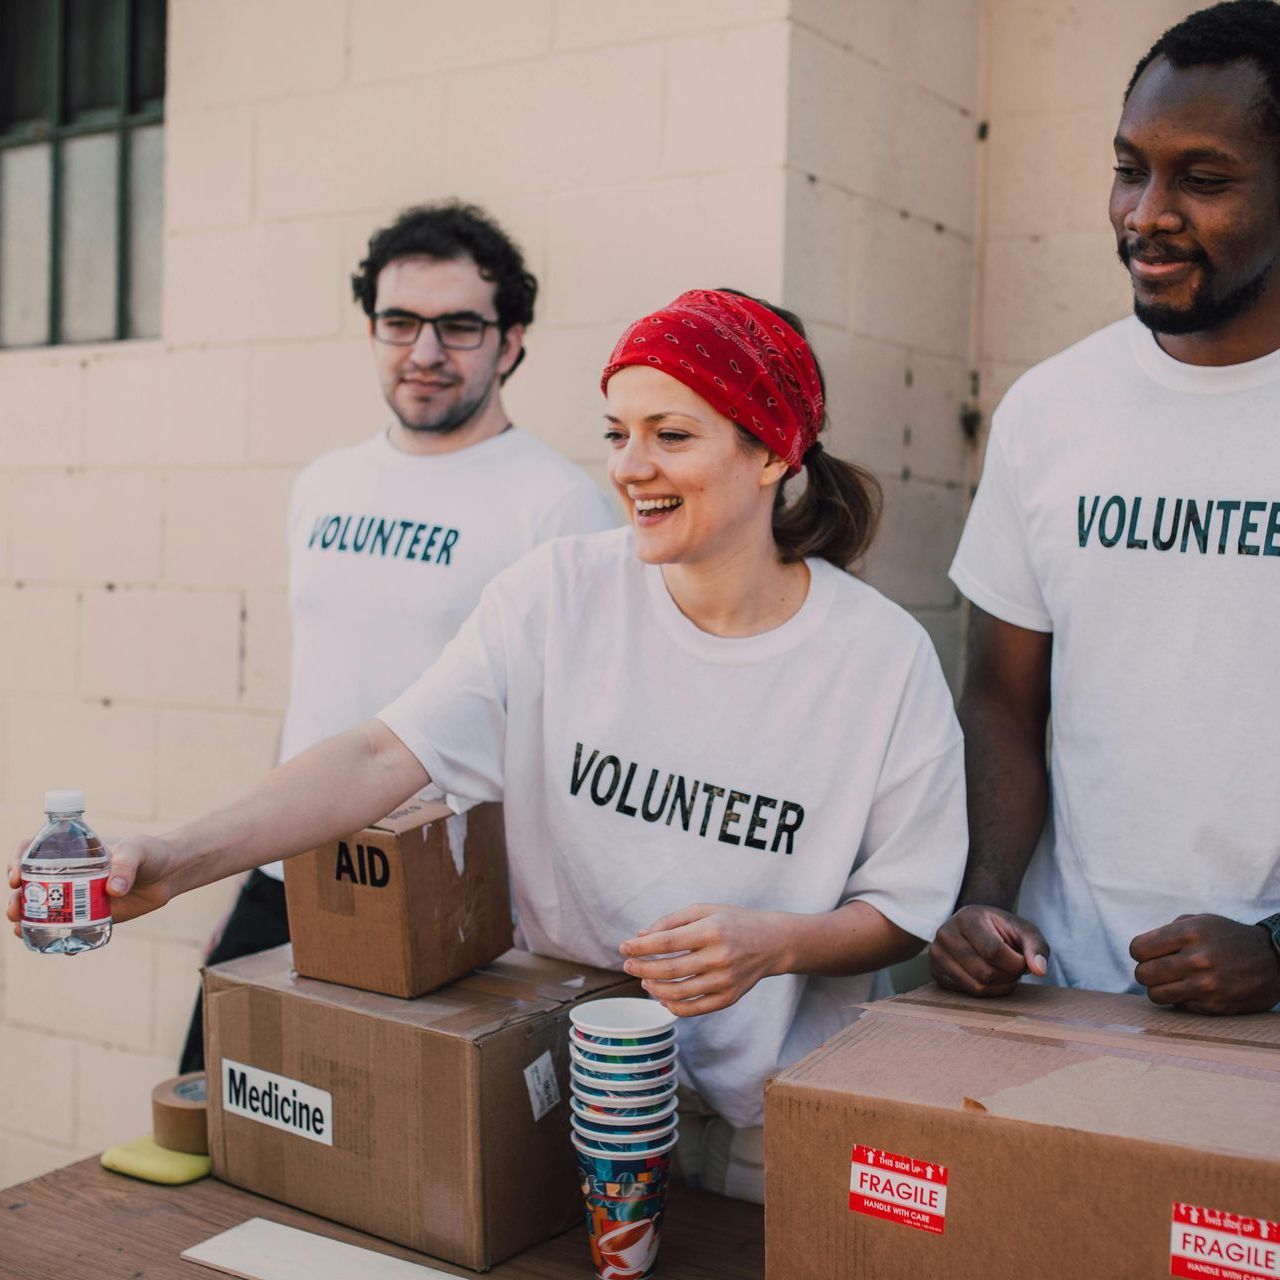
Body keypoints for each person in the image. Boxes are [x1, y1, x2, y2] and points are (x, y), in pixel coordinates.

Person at [11, 288, 967, 1204]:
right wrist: (177, 859)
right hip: (565, 1087)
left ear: (772, 455)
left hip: (772, 1123)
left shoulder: (879, 657)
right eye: (618, 433)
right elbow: (383, 758)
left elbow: (905, 908)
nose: (631, 466)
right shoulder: (555, 595)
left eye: (671, 435)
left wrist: (781, 943)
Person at [178, 201, 614, 1071]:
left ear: (512, 339)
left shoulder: (560, 505)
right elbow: (320, 682)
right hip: (290, 866)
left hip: (446, 897)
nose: (424, 353)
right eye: (400, 323)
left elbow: (576, 730)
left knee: (388, 1158)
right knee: (216, 1109)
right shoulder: (324, 484)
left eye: (458, 326)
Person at [929, 0, 1280, 1014]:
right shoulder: (1049, 408)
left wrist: (1275, 945)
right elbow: (1001, 698)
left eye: (1202, 179)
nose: (1144, 213)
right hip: (1067, 989)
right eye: (1129, 168)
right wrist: (983, 900)